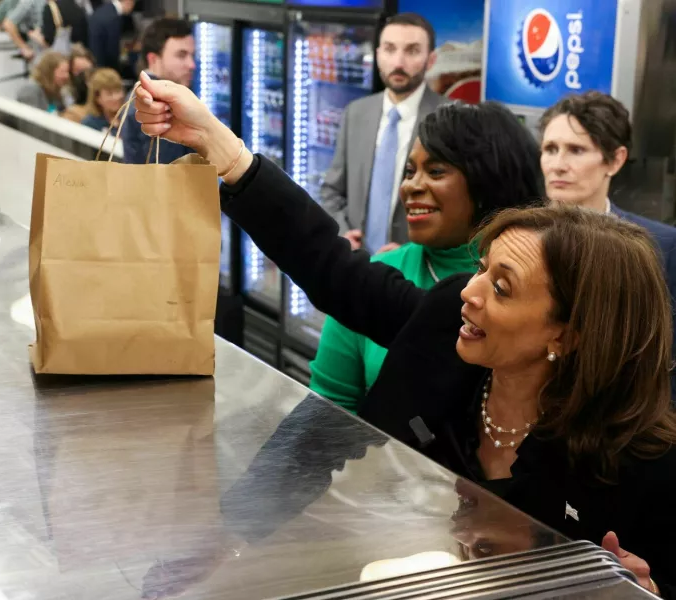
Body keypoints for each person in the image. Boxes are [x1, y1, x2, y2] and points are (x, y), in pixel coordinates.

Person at [134, 72, 676, 597]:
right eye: (481, 268)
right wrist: (218, 144)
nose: (472, 291)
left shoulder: (640, 456)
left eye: (503, 287)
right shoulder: (447, 326)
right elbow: (332, 269)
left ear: (569, 334)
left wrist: (647, 591)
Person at [310, 102, 544, 413]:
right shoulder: (379, 275)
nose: (410, 186)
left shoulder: (540, 286)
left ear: (487, 181)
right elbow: (328, 404)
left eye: (434, 171)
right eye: (409, 171)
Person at [539, 91, 676, 396]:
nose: (558, 164)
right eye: (550, 148)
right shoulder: (518, 239)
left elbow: (667, 361)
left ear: (615, 160)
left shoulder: (661, 247)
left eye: (576, 150)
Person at [321, 13, 449, 255]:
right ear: (378, 54)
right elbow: (332, 190)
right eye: (390, 49)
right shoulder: (356, 113)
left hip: (414, 272)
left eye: (412, 51)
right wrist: (342, 232)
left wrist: (414, 251)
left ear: (431, 60)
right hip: (354, 265)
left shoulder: (449, 120)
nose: (398, 62)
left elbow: (457, 210)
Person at [121, 18, 195, 165]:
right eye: (181, 55)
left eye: (192, 55)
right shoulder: (158, 103)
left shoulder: (137, 93)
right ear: (153, 59)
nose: (191, 64)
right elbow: (170, 173)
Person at [87, 0, 135, 73]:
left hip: (94, 60)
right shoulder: (113, 18)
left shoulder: (104, 10)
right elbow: (112, 50)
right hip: (103, 66)